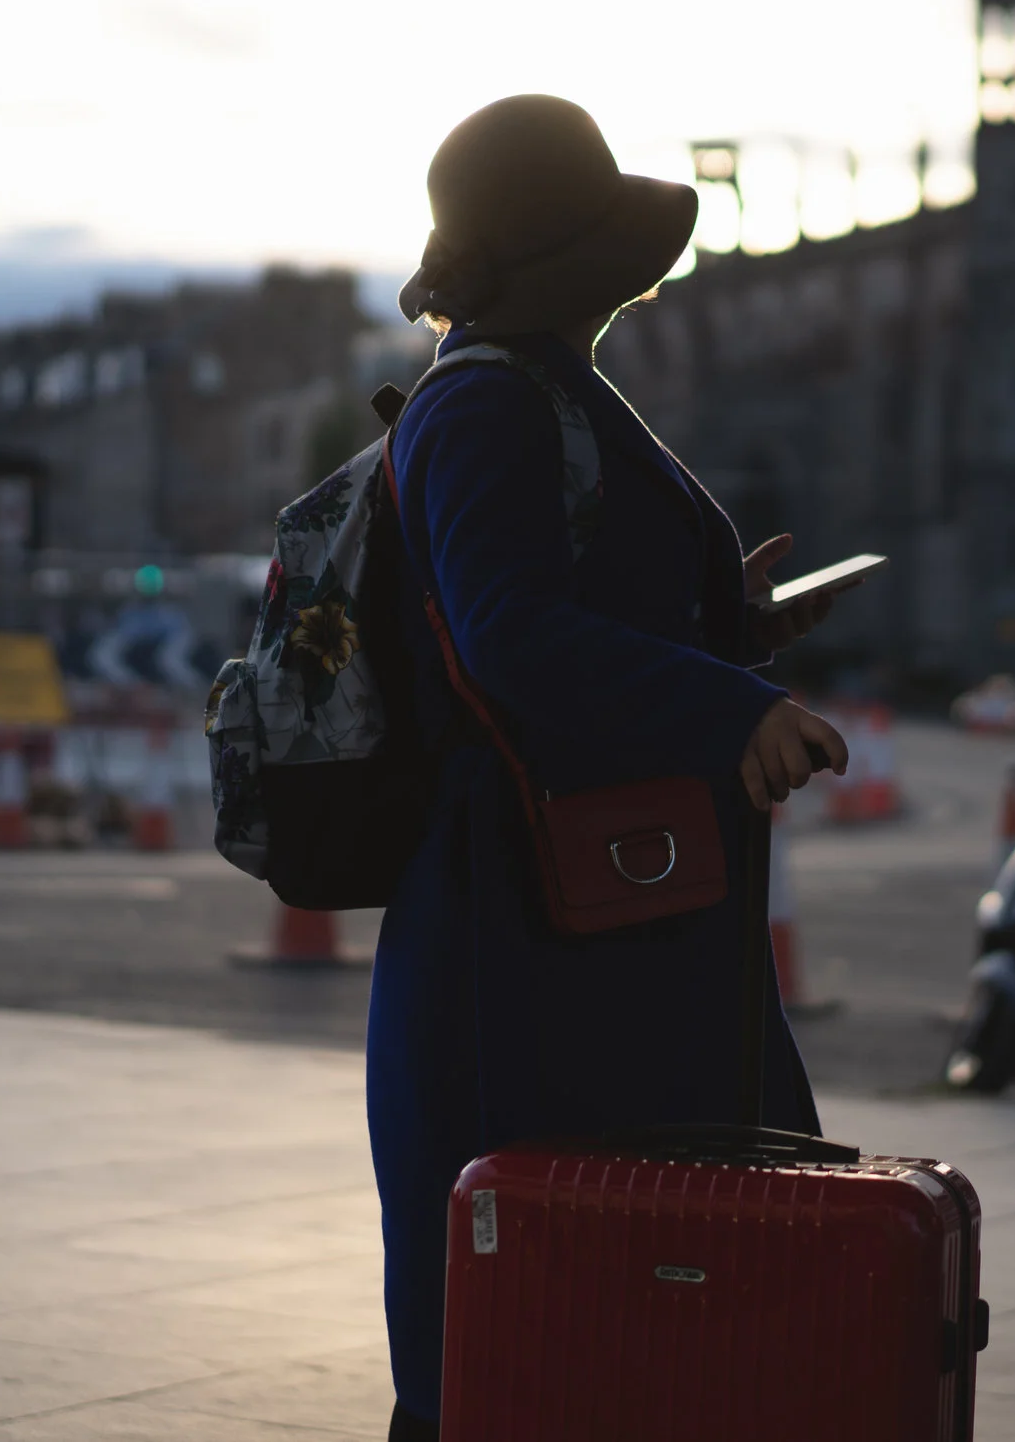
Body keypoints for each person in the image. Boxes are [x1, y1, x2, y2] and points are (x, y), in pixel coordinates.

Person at [371, 95, 857, 1440]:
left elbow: (564, 605)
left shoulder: (544, 389)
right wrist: (727, 705)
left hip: (604, 911)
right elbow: (507, 634)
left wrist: (730, 625)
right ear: (558, 260)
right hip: (531, 932)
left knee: (619, 1299)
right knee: (527, 1316)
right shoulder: (488, 402)